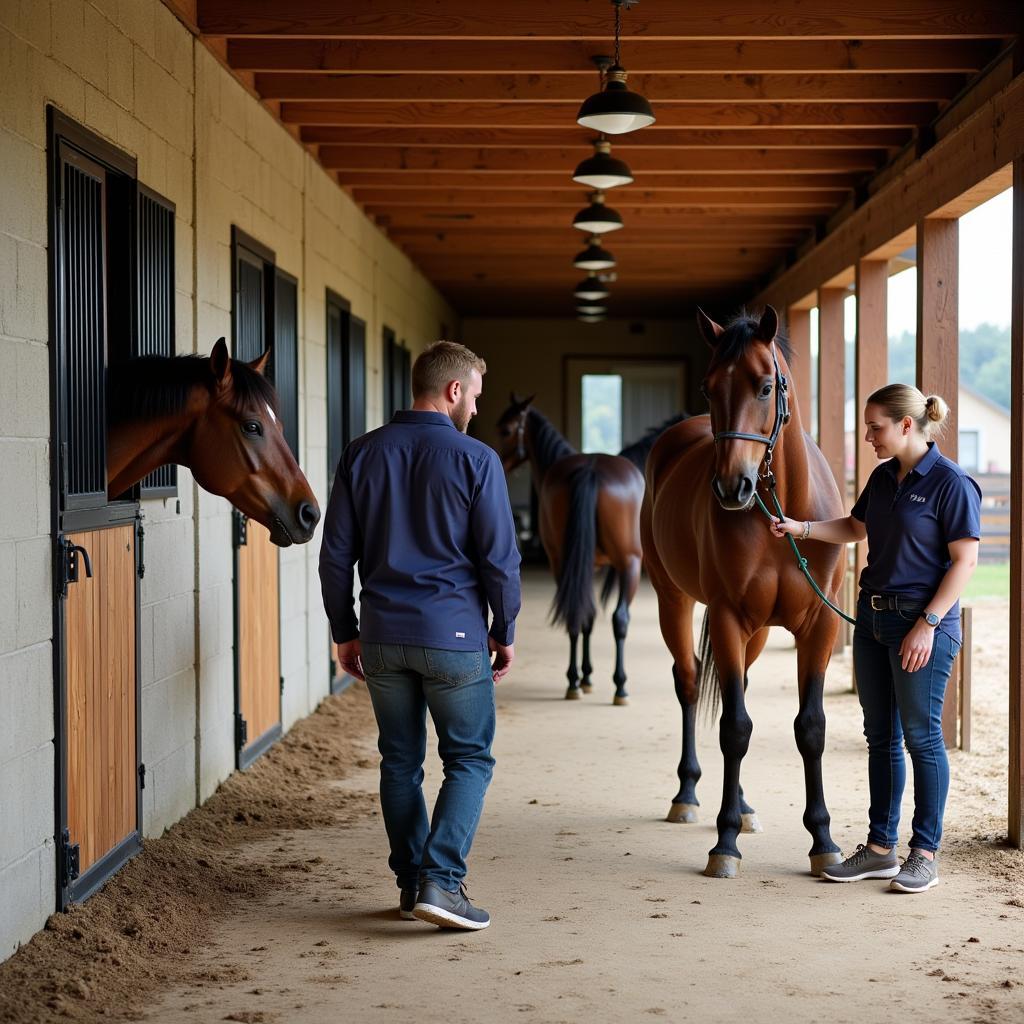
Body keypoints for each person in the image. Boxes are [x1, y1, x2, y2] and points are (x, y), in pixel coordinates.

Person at [319, 340, 521, 930]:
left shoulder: (360, 453)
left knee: (399, 760)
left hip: (382, 636)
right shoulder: (477, 460)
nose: (477, 411)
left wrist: (345, 630)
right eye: (476, 396)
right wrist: (503, 630)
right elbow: (501, 562)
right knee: (469, 758)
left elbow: (336, 557)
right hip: (455, 635)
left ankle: (412, 883)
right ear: (453, 390)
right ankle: (442, 880)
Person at [771, 384, 980, 893]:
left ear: (907, 425)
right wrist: (799, 527)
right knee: (880, 737)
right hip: (872, 620)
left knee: (922, 737)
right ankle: (881, 850)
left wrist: (928, 625)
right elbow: (854, 527)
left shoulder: (952, 483)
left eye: (875, 427)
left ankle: (924, 853)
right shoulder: (884, 476)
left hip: (921, 626)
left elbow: (965, 561)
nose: (868, 437)